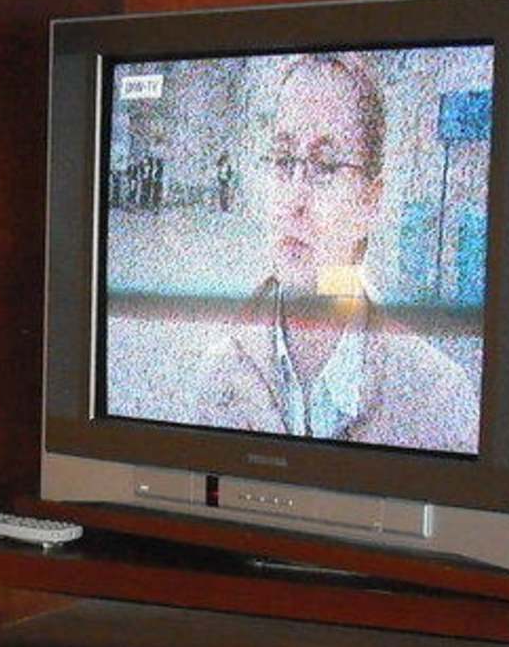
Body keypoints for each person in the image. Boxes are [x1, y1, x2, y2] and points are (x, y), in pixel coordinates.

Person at [184, 53, 478, 453]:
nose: (294, 198)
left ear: (370, 201)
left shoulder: (436, 401)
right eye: (283, 160)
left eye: (324, 166)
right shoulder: (219, 378)